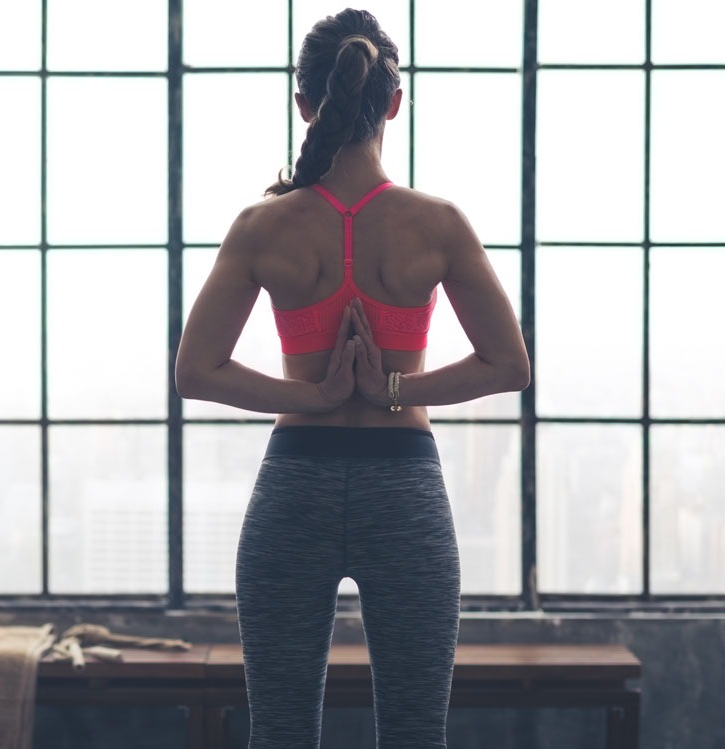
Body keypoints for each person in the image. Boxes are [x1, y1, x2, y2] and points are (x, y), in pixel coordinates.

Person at [175, 8, 530, 749]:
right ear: (393, 103)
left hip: (292, 490)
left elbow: (195, 371)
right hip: (404, 491)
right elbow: (510, 365)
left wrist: (311, 396)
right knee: (414, 734)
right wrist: (395, 390)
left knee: (278, 732)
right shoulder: (438, 224)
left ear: (305, 104)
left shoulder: (260, 227)